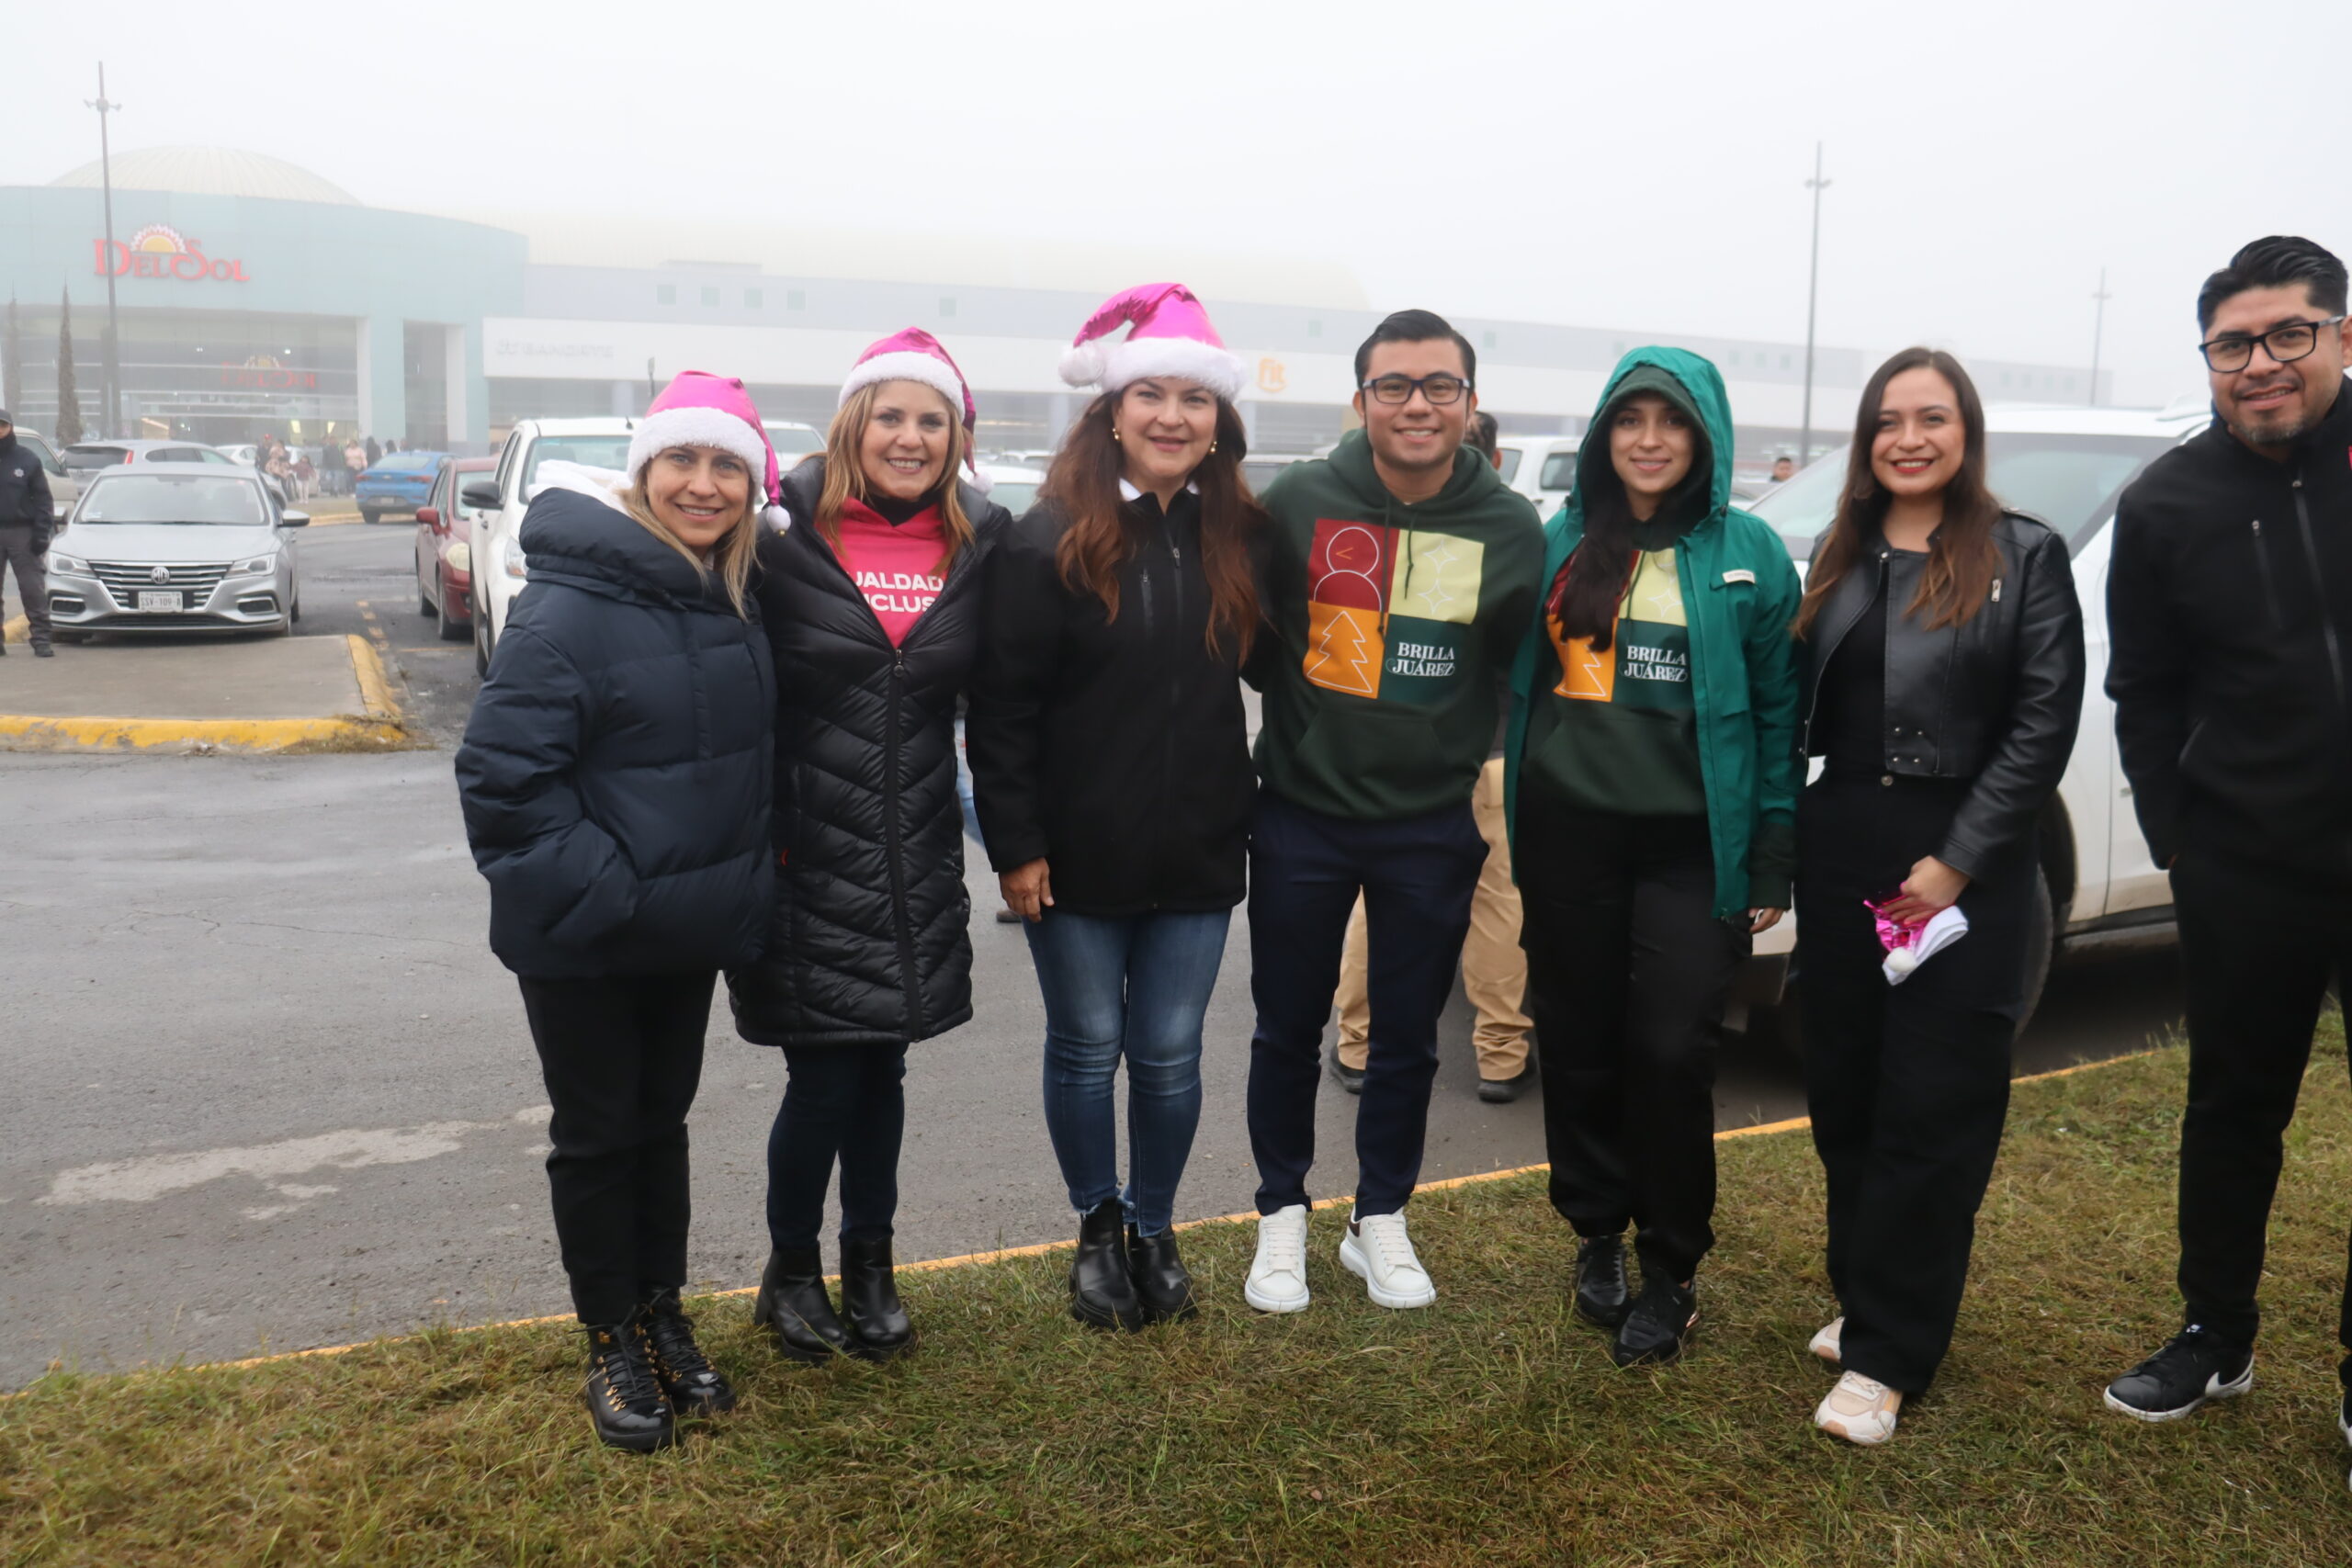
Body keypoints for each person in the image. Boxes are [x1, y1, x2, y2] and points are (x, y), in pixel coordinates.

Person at [454, 370, 780, 1453]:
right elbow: (504, 780)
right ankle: (608, 1338)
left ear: (750, 482)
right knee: (599, 1137)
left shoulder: (726, 596)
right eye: (682, 462)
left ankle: (660, 1312)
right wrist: (611, 897)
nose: (703, 483)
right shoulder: (572, 603)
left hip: (675, 933)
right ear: (643, 474)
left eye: (725, 464)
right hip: (588, 933)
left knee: (660, 1128)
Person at [1791, 347, 2084, 1444]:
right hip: (1844, 849)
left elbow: (2039, 726)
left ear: (1965, 432)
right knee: (1848, 1096)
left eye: (1932, 417)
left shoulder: (2023, 555)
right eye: (1887, 421)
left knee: (1932, 1106)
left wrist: (1952, 863)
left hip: (1960, 866)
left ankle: (1889, 1353)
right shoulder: (1844, 551)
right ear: (1866, 441)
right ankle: (1868, 1292)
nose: (1908, 438)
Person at [969, 283, 1266, 1331]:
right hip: (1075, 852)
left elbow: (1289, 667)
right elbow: (1000, 709)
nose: (1173, 416)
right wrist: (1016, 844)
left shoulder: (1238, 534)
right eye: (1152, 395)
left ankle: (1155, 1224)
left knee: (1174, 1052)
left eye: (1195, 398)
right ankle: (1095, 1226)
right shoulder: (1045, 535)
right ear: (1110, 410)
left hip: (1196, 848)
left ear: (1219, 419)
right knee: (1089, 1046)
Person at [2103, 235, 2352, 1464]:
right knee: (2233, 1108)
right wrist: (2182, 844)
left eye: (2288, 333)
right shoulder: (2164, 504)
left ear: (2340, 336)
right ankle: (2217, 1329)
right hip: (2246, 863)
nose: (2261, 362)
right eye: (2234, 343)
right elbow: (2141, 692)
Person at [1501, 347, 1801, 1370]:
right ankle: (1596, 1229)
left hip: (1690, 848)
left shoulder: (1750, 553)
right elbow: (1517, 692)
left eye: (1670, 421)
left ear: (1704, 436)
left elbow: (1775, 718)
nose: (1647, 440)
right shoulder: (1559, 545)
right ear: (1601, 435)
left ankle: (1672, 1264)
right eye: (1628, 420)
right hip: (1566, 836)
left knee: (1671, 1051)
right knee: (1578, 1039)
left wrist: (1768, 861)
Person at [1241, 309, 1543, 1314]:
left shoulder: (1507, 524)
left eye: (1439, 386)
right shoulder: (1297, 498)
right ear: (1361, 397)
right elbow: (1253, 636)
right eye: (1394, 386)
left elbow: (1511, 663)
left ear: (1468, 401)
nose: (1417, 404)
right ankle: (1280, 1215)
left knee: (1406, 1036)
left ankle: (1380, 1221)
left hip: (1429, 824)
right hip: (1300, 811)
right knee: (1285, 1026)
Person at [727, 329, 1011, 1366]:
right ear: (853, 423)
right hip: (803, 855)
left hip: (912, 853)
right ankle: (791, 1270)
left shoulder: (980, 540)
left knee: (882, 1072)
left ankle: (871, 1263)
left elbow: (1007, 703)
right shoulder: (780, 535)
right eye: (890, 415)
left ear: (956, 436)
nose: (909, 436)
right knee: (823, 1079)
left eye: (931, 419)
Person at [1329, 405, 1532, 1104]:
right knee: (1499, 907)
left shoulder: (1374, 528)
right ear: (1493, 462)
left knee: (1368, 901)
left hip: (1397, 755)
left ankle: (1355, 1045)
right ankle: (1501, 1057)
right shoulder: (1512, 529)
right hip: (1497, 749)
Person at [0, 410, 56, 659]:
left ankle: (42, 639)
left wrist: (41, 534)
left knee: (32, 588)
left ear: (9, 428)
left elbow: (44, 500)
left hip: (22, 531)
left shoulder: (27, 459)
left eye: (2, 426)